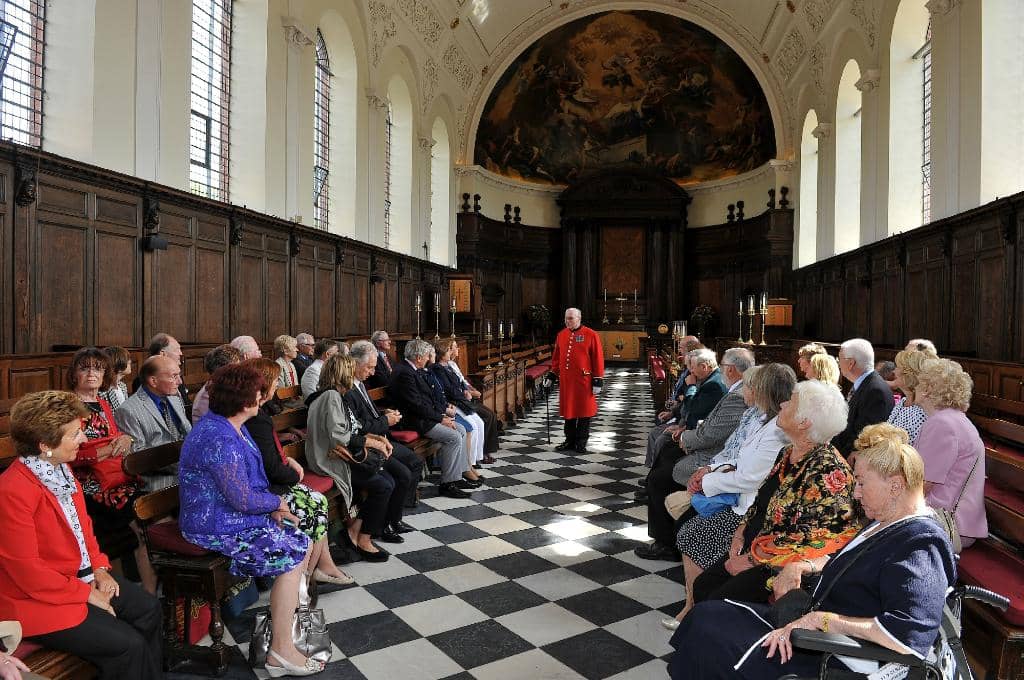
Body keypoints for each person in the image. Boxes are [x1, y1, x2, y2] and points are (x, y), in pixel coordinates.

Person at [668, 423, 956, 680]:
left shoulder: (921, 543)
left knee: (711, 638)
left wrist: (822, 621)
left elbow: (908, 634)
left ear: (895, 485)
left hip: (836, 657)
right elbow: (854, 563)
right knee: (707, 615)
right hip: (813, 626)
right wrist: (805, 564)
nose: (855, 493)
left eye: (862, 483)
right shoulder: (884, 522)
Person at [0, 391, 163, 679]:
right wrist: (86, 593)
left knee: (148, 608)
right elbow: (29, 574)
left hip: (77, 579)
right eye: (75, 434)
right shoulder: (13, 490)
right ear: (45, 445)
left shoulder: (60, 469)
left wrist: (100, 569)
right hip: (35, 600)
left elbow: (83, 528)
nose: (84, 440)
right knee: (128, 646)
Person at [178, 364, 325, 677]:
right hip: (213, 525)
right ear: (245, 399)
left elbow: (250, 484)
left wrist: (274, 508)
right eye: (259, 391)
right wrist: (276, 503)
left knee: (301, 534)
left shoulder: (234, 426)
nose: (263, 396)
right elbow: (241, 497)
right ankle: (280, 651)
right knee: (293, 549)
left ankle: (285, 632)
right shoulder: (218, 437)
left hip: (234, 515)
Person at [688, 379, 859, 610]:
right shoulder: (787, 452)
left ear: (804, 423)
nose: (782, 404)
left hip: (778, 565)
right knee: (702, 586)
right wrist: (740, 532)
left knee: (715, 602)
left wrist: (749, 560)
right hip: (753, 546)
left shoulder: (828, 472)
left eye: (791, 402)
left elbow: (811, 539)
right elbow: (761, 500)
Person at [661, 365, 795, 625]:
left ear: (763, 390)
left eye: (750, 385)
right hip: (737, 496)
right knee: (687, 526)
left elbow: (750, 477)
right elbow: (737, 456)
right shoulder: (761, 418)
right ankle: (693, 602)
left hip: (750, 508)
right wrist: (708, 470)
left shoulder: (776, 430)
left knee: (691, 533)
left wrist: (708, 481)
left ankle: (693, 607)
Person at [636, 348, 754, 561]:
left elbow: (712, 434)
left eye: (724, 366)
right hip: (711, 449)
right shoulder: (736, 390)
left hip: (714, 457)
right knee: (665, 454)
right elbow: (708, 424)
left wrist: (684, 438)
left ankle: (667, 543)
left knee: (659, 480)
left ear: (730, 370)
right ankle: (667, 536)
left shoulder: (737, 395)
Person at [243, 359, 353, 586]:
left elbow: (269, 454)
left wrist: (289, 462)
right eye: (274, 382)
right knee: (312, 506)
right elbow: (271, 467)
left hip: (273, 481)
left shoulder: (259, 414)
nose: (277, 387)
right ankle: (303, 578)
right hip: (269, 487)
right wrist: (294, 476)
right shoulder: (256, 419)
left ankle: (317, 569)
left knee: (317, 501)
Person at [66, 348, 157, 594]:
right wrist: (102, 452)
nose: (92, 373)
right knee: (142, 520)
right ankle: (142, 594)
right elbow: (62, 454)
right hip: (88, 485)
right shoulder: (68, 406)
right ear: (74, 374)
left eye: (97, 368)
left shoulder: (103, 403)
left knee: (154, 510)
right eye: (84, 368)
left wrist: (126, 439)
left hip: (116, 478)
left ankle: (149, 593)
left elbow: (115, 438)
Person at [306, 354, 407, 555]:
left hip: (340, 455)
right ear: (343, 373)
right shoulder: (331, 396)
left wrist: (378, 440)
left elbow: (354, 428)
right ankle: (363, 539)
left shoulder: (334, 395)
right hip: (329, 459)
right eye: (350, 371)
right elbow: (339, 436)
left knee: (387, 479)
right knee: (383, 484)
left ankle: (356, 532)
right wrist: (372, 442)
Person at [913, 357, 987, 548]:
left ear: (928, 388)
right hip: (946, 519)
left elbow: (922, 485)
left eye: (920, 382)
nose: (915, 386)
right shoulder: (951, 419)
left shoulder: (942, 424)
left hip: (947, 524)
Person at [346, 340, 423, 513]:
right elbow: (359, 427)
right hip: (368, 445)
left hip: (381, 438)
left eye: (374, 367)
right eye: (369, 368)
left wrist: (384, 414)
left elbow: (368, 415)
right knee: (401, 473)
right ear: (356, 363)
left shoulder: (360, 384)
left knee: (415, 462)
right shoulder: (349, 390)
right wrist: (386, 421)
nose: (373, 372)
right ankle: (393, 513)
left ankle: (401, 506)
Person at [389, 339, 473, 499]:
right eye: (427, 356)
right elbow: (416, 405)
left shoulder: (413, 369)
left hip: (423, 416)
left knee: (460, 429)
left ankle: (457, 477)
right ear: (419, 357)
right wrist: (440, 419)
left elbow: (429, 399)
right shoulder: (404, 373)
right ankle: (447, 484)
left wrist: (442, 414)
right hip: (413, 420)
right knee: (454, 436)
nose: (429, 359)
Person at [114, 355, 192, 490]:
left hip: (187, 470)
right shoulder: (128, 410)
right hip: (158, 480)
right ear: (153, 381)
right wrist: (187, 463)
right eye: (173, 376)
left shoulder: (175, 399)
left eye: (179, 375)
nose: (179, 381)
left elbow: (188, 435)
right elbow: (138, 460)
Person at [430, 342, 488, 479]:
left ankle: (470, 464)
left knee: (478, 424)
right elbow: (447, 389)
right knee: (469, 428)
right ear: (442, 354)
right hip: (453, 403)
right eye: (448, 350)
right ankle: (466, 467)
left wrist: (465, 391)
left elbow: (458, 383)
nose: (451, 353)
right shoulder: (437, 369)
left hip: (455, 402)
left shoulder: (447, 367)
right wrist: (462, 395)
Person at [551, 307, 604, 453]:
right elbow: (556, 358)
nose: (567, 321)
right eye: (566, 318)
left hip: (584, 382)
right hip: (567, 382)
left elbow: (597, 358)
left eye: (570, 318)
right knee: (569, 412)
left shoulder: (591, 334)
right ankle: (569, 441)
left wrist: (598, 379)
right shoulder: (561, 334)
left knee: (584, 413)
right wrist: (552, 374)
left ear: (579, 318)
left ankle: (581, 443)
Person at [440, 339, 499, 462]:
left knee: (491, 415)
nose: (457, 349)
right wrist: (469, 392)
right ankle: (480, 454)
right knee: (486, 417)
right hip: (460, 401)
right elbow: (455, 388)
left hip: (465, 398)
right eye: (454, 347)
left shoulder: (452, 365)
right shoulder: (444, 367)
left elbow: (463, 381)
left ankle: (484, 452)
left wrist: (471, 390)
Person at [832, 338, 893, 456]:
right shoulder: (865, 384)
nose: (838, 363)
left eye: (840, 359)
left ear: (851, 363)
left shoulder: (875, 391)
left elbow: (864, 436)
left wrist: (835, 456)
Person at [886, 347, 935, 444]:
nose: (894, 371)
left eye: (898, 367)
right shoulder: (902, 401)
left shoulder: (922, 411)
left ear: (909, 375)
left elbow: (912, 451)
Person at [131, 332, 189, 406]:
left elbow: (186, 404)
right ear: (163, 354)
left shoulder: (177, 377)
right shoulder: (141, 381)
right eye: (177, 349)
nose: (180, 353)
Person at [191, 344, 244, 423]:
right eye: (237, 369)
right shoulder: (208, 396)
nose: (241, 373)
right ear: (224, 371)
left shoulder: (222, 388)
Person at [100, 345, 132, 410]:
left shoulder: (122, 386)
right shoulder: (102, 391)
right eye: (127, 359)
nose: (130, 361)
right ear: (117, 363)